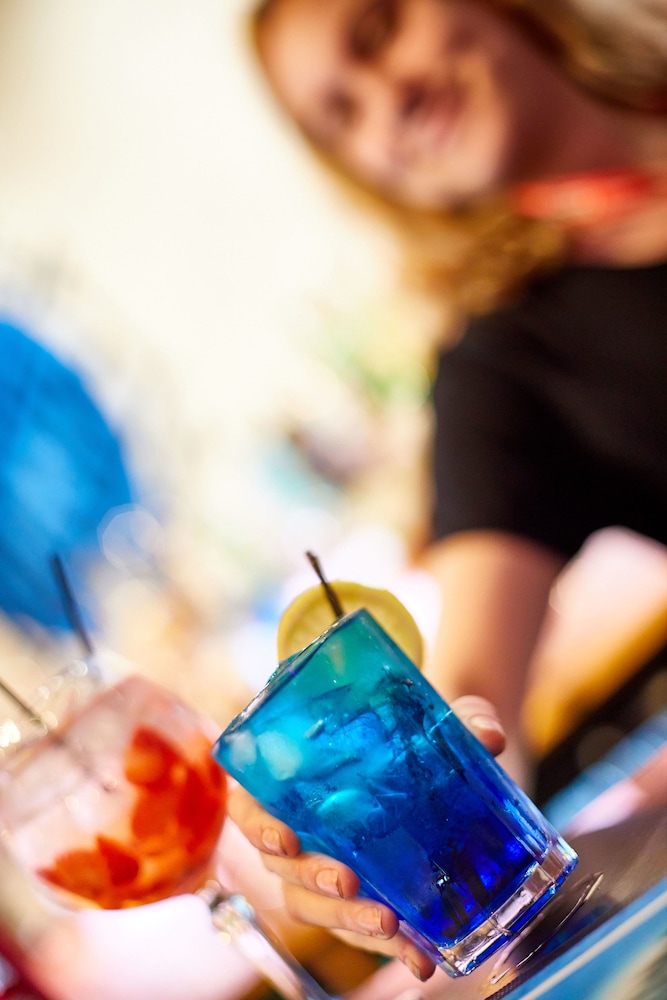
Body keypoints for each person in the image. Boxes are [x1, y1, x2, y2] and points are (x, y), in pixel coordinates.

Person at [227, 0, 667, 984]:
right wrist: (388, 822)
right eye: (341, 116)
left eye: (378, 30)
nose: (387, 105)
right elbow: (474, 694)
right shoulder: (508, 362)